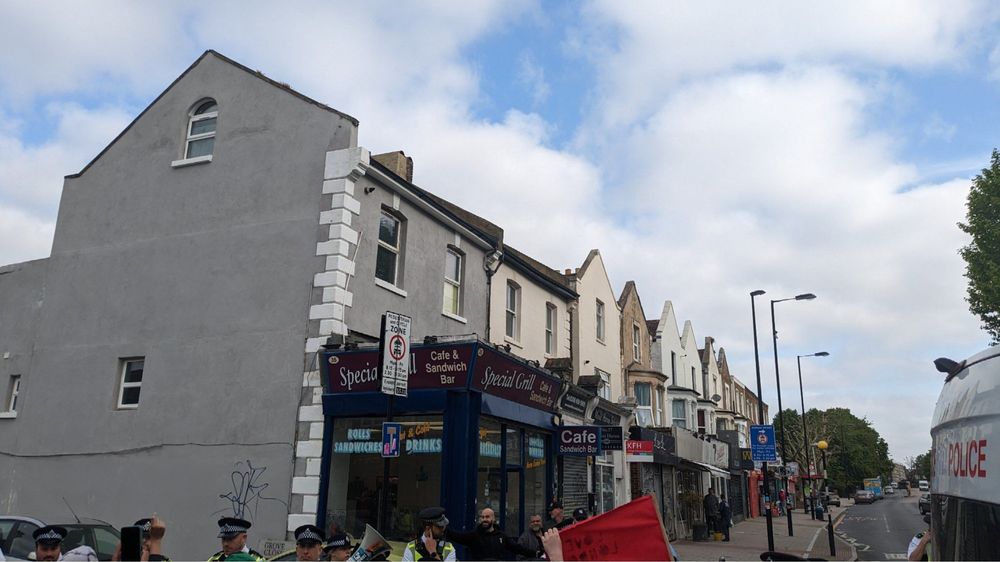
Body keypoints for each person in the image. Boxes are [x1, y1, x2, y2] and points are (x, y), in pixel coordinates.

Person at [447, 507, 539, 561]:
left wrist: (536, 554)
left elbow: (517, 548)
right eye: (482, 517)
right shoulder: (474, 535)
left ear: (493, 519)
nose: (484, 519)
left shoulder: (501, 536)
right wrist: (444, 529)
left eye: (487, 517)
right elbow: (458, 537)